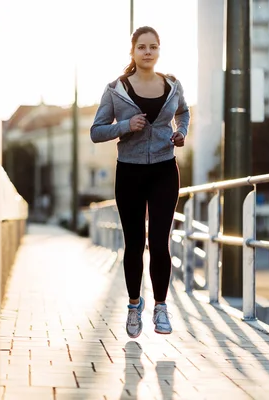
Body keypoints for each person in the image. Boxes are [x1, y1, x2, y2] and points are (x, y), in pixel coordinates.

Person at [90, 26, 190, 339]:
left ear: (159, 51)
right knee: (134, 245)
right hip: (130, 172)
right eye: (142, 47)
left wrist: (181, 132)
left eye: (153, 47)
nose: (148, 52)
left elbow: (184, 113)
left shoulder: (173, 85)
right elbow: (96, 131)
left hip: (164, 170)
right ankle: (135, 306)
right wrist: (125, 126)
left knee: (160, 242)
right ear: (133, 52)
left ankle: (161, 306)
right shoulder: (115, 89)